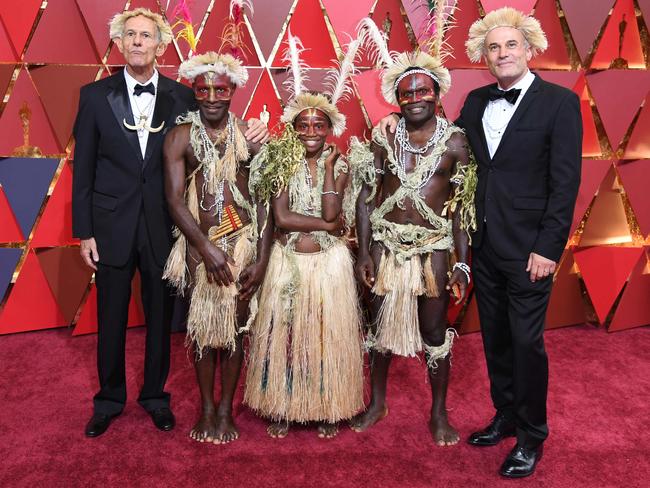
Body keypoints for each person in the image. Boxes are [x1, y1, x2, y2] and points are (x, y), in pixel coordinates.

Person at [379, 6, 582, 477]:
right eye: (494, 47)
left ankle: (532, 436)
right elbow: (431, 126)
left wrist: (549, 248)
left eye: (511, 45)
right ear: (485, 57)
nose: (503, 53)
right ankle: (506, 416)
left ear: (529, 50)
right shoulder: (474, 102)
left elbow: (565, 182)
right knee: (494, 338)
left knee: (527, 341)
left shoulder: (559, 103)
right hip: (482, 245)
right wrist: (392, 117)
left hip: (531, 248)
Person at [72, 8, 268, 438]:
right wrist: (84, 231)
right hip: (109, 227)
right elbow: (82, 166)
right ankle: (108, 399)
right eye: (130, 35)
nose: (138, 42)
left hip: (166, 225)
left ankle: (155, 398)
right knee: (110, 317)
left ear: (161, 46)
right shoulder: (92, 96)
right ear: (119, 44)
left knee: (161, 317)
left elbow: (223, 127)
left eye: (146, 36)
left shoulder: (184, 95)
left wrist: (256, 129)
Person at [350, 17, 477, 447]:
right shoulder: (382, 140)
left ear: (438, 95)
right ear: (397, 99)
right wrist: (364, 252)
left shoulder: (457, 143)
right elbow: (365, 200)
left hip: (434, 250)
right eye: (408, 93)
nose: (416, 99)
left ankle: (438, 412)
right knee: (379, 330)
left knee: (434, 333)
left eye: (424, 91)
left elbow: (461, 210)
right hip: (385, 248)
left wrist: (461, 263)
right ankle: (377, 402)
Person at [243, 33, 365, 439]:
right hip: (287, 262)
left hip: (329, 266)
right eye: (303, 124)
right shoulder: (279, 158)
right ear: (293, 128)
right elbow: (281, 216)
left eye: (319, 124)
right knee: (287, 334)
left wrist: (329, 169)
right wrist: (327, 227)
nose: (311, 130)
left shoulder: (343, 162)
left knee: (325, 334)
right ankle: (283, 404)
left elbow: (333, 212)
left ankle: (327, 406)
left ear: (331, 128)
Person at [162, 51, 271, 445]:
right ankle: (207, 408)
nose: (211, 96)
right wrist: (205, 249)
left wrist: (260, 257)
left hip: (242, 243)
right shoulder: (179, 137)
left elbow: (266, 199)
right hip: (198, 246)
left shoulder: (251, 136)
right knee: (205, 332)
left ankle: (226, 409)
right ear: (193, 89)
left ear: (234, 90)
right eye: (203, 88)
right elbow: (174, 200)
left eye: (220, 88)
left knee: (238, 330)